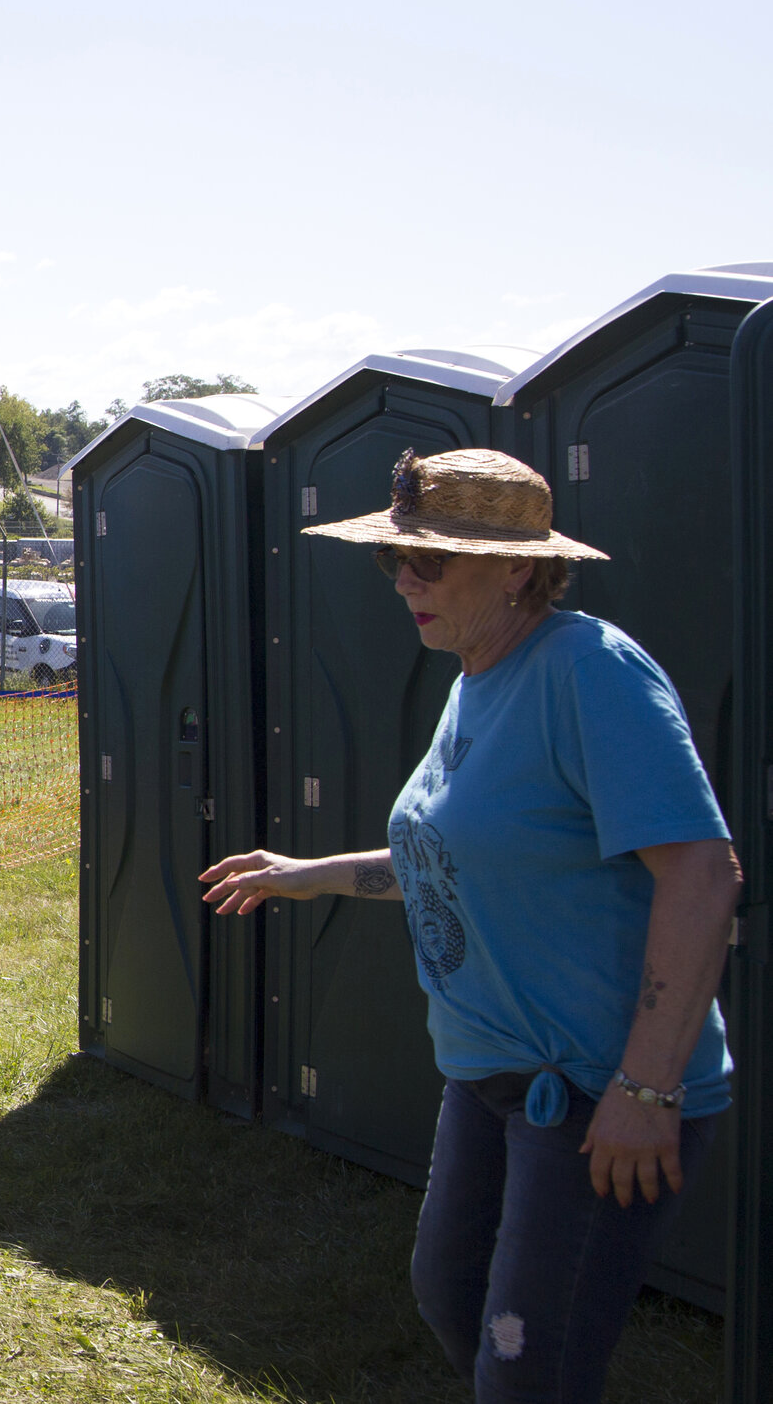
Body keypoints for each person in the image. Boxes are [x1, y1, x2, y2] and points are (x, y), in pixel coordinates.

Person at [200, 449, 740, 1403]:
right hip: (488, 1078)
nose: (406, 579)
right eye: (392, 560)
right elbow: (453, 860)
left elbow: (702, 873)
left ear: (520, 568)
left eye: (431, 560)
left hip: (591, 1092)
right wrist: (309, 875)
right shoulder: (474, 674)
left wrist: (646, 1089)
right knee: (451, 1294)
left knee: (529, 1363)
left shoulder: (590, 670)